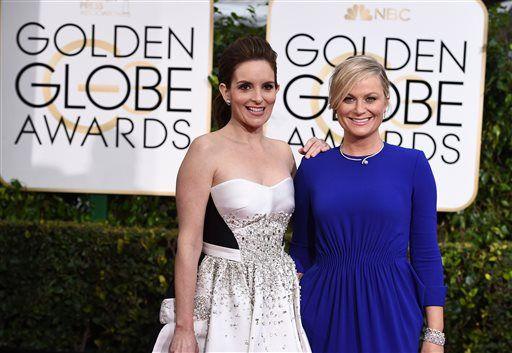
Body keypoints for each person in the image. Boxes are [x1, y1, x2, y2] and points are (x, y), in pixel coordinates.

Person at [152, 36, 328, 353]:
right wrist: (184, 326)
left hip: (278, 296)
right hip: (222, 293)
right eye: (245, 86)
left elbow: (316, 221)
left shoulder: (284, 153)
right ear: (226, 92)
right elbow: (189, 242)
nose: (258, 98)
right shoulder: (205, 150)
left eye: (267, 87)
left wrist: (328, 161)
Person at [290, 55, 447, 353]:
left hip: (393, 307)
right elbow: (301, 249)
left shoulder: (412, 165)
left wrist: (434, 334)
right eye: (348, 98)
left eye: (370, 98)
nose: (360, 109)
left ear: (386, 101)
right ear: (334, 105)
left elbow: (426, 254)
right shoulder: (313, 167)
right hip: (322, 308)